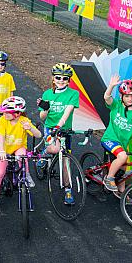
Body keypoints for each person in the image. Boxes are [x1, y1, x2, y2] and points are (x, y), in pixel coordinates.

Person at [0, 96, 41, 212]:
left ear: (17, 113)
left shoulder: (24, 121)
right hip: (5, 149)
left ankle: (26, 175)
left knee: (22, 156)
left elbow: (38, 135)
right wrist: (2, 151)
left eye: (7, 112)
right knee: (0, 173)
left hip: (18, 147)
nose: (4, 114)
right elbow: (1, 137)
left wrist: (30, 128)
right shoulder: (2, 120)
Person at [101, 76, 132, 194]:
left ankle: (122, 193)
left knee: (124, 169)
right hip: (109, 139)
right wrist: (111, 86)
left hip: (122, 144)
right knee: (123, 156)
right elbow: (106, 97)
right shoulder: (116, 105)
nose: (130, 99)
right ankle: (109, 178)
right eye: (127, 96)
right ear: (121, 96)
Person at [36, 64, 80, 192]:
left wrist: (59, 126)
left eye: (65, 78)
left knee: (66, 160)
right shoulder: (47, 94)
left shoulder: (73, 94)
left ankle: (68, 190)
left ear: (69, 80)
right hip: (50, 128)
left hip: (64, 129)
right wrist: (45, 109)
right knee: (54, 148)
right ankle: (44, 154)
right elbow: (42, 117)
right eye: (58, 77)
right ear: (53, 78)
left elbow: (67, 112)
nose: (61, 80)